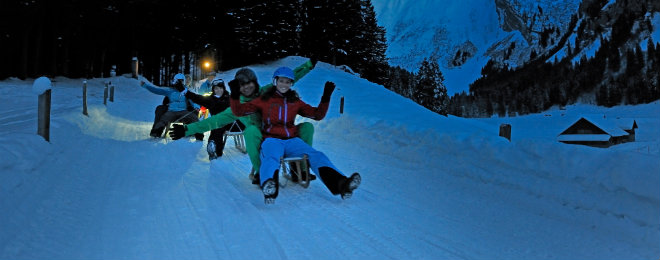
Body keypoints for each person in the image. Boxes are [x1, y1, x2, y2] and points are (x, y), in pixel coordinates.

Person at [229, 66, 361, 204]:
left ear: (291, 84)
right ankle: (269, 185)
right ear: (275, 81)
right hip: (272, 139)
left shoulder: (295, 101)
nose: (284, 85)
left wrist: (325, 97)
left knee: (316, 154)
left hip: (292, 141)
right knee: (271, 157)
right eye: (281, 81)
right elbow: (239, 111)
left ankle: (342, 184)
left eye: (288, 82)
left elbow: (317, 115)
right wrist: (234, 95)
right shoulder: (264, 99)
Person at [169, 60, 317, 183]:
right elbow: (212, 122)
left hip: (281, 134)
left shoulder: (266, 91)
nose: (247, 87)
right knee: (251, 131)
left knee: (307, 127)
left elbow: (290, 78)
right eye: (243, 85)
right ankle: (261, 172)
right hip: (261, 139)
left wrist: (309, 64)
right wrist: (186, 130)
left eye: (249, 83)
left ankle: (301, 170)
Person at [182, 78, 244, 159]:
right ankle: (215, 149)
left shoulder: (229, 97)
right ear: (213, 89)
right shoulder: (210, 100)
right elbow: (197, 98)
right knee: (217, 127)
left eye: (221, 88)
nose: (219, 90)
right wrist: (185, 92)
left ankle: (214, 145)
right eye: (216, 88)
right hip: (220, 124)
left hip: (236, 124)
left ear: (223, 88)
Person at [140, 73, 203, 140]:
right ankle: (156, 133)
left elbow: (192, 100)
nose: (179, 83)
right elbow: (157, 90)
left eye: (181, 81)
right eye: (178, 81)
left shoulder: (186, 91)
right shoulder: (170, 91)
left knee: (194, 118)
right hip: (172, 111)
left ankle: (199, 136)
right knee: (163, 120)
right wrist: (145, 85)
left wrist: (196, 107)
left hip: (183, 111)